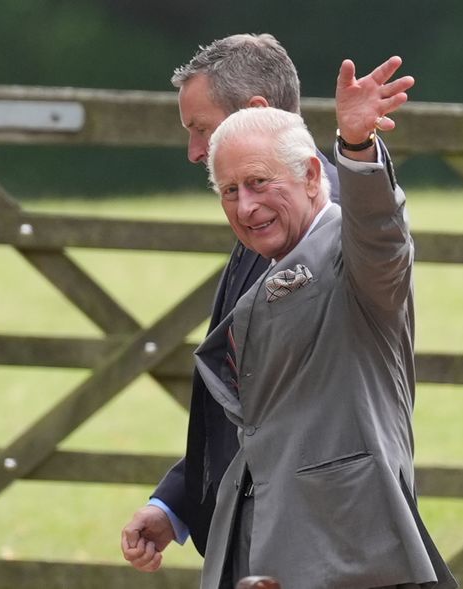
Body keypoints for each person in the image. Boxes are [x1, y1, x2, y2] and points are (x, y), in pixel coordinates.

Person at [192, 59, 457, 588]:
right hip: (258, 536)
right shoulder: (263, 261)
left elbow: (380, 235)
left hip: (347, 550)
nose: (246, 206)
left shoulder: (350, 253)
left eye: (260, 183)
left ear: (313, 175)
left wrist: (357, 150)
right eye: (229, 191)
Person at [121, 33, 343, 573]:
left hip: (314, 541)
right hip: (248, 529)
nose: (195, 151)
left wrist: (360, 148)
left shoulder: (336, 230)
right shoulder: (259, 214)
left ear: (256, 113)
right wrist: (176, 503)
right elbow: (241, 403)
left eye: (201, 129)